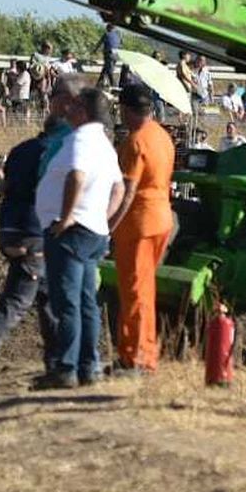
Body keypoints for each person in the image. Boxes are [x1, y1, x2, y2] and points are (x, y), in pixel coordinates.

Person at [34, 87, 124, 389]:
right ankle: (90, 365)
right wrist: (104, 220)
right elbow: (119, 190)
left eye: (73, 107)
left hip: (72, 233)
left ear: (84, 112)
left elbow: (77, 176)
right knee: (87, 301)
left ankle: (66, 368)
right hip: (93, 230)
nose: (67, 111)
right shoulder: (105, 144)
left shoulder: (81, 139)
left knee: (67, 302)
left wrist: (69, 215)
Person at [0, 125, 59, 387]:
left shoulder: (21, 150)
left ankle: (57, 364)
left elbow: (8, 184)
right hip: (34, 232)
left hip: (11, 227)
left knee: (47, 299)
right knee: (17, 301)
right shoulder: (51, 154)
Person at [105, 84, 175, 375]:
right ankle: (131, 354)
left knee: (135, 292)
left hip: (138, 224)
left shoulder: (135, 142)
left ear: (125, 109)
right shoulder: (162, 136)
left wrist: (108, 226)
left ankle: (139, 358)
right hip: (161, 219)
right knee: (142, 289)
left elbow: (127, 191)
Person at [96, 23, 121, 88]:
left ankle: (114, 85)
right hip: (116, 55)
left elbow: (99, 43)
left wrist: (94, 50)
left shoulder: (106, 34)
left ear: (108, 28)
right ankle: (99, 83)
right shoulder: (118, 35)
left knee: (109, 70)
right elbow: (120, 44)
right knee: (106, 68)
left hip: (109, 54)